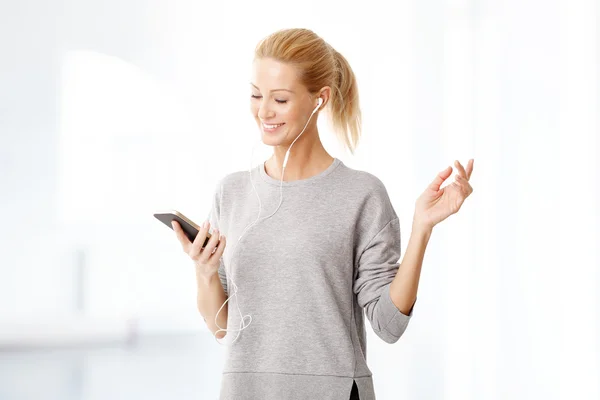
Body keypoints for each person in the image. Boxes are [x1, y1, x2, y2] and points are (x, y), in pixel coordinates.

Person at [172, 28, 475, 400]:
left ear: (320, 99)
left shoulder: (361, 195)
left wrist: (422, 228)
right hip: (246, 390)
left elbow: (389, 325)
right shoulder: (231, 192)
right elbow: (223, 328)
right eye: (256, 95)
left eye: (280, 99)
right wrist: (204, 272)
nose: (263, 111)